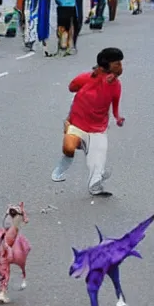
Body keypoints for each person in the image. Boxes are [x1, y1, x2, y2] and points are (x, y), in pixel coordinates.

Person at [50, 47, 125, 197]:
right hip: (77, 123)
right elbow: (72, 87)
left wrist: (117, 117)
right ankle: (70, 160)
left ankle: (96, 182)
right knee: (68, 147)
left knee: (97, 160)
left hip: (98, 128)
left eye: (120, 64)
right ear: (106, 65)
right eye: (116, 64)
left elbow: (115, 104)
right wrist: (96, 80)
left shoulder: (116, 86)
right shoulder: (87, 78)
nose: (120, 67)